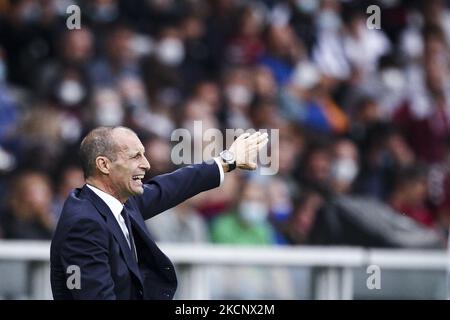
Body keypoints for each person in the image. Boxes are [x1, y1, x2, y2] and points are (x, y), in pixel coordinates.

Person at [50, 126, 268, 300]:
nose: (146, 164)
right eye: (135, 156)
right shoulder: (84, 223)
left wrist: (226, 161)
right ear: (104, 165)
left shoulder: (118, 202)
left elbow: (171, 186)